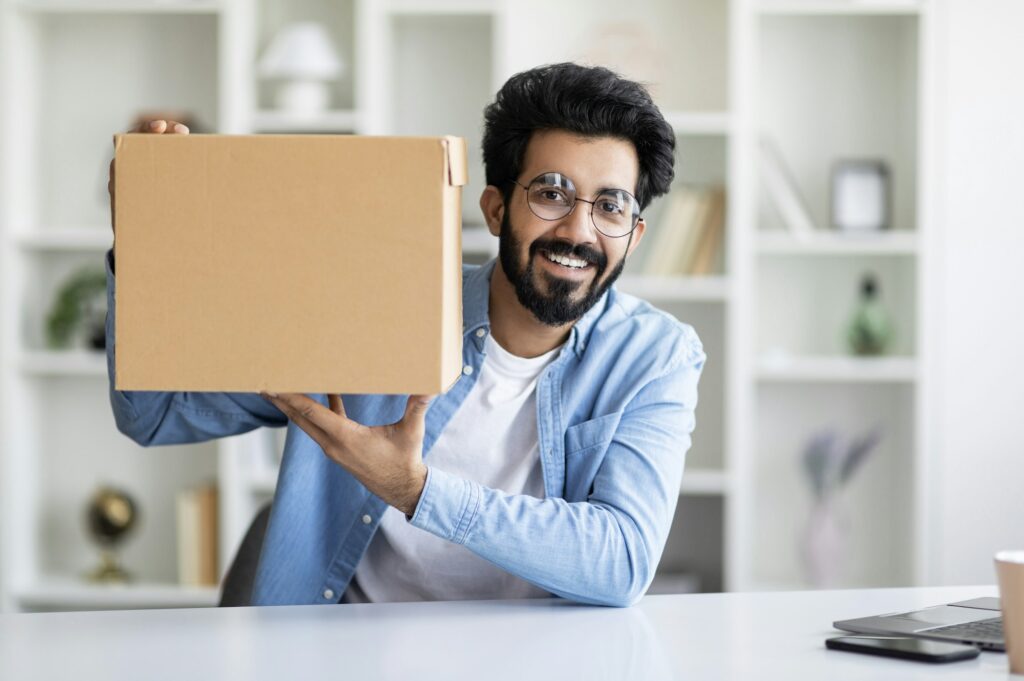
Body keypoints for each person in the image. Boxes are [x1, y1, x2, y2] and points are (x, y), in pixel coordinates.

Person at [105, 63, 705, 607]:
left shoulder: (655, 357)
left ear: (634, 233)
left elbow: (621, 561)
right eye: (551, 193)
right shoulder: (365, 305)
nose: (579, 230)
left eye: (611, 206)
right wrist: (145, 237)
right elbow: (153, 414)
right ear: (495, 209)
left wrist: (416, 490)